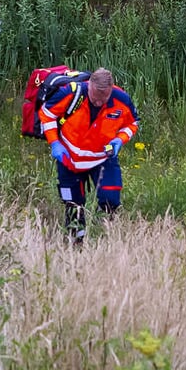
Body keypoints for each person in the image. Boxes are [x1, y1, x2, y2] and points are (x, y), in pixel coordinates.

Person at [38, 68, 139, 244]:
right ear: (89, 86)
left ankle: (106, 236)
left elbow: (133, 123)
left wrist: (119, 140)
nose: (99, 102)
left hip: (102, 158)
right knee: (73, 206)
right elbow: (47, 114)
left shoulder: (121, 100)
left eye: (104, 99)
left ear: (111, 90)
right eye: (95, 98)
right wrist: (54, 143)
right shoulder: (70, 93)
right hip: (69, 158)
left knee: (111, 200)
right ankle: (75, 244)